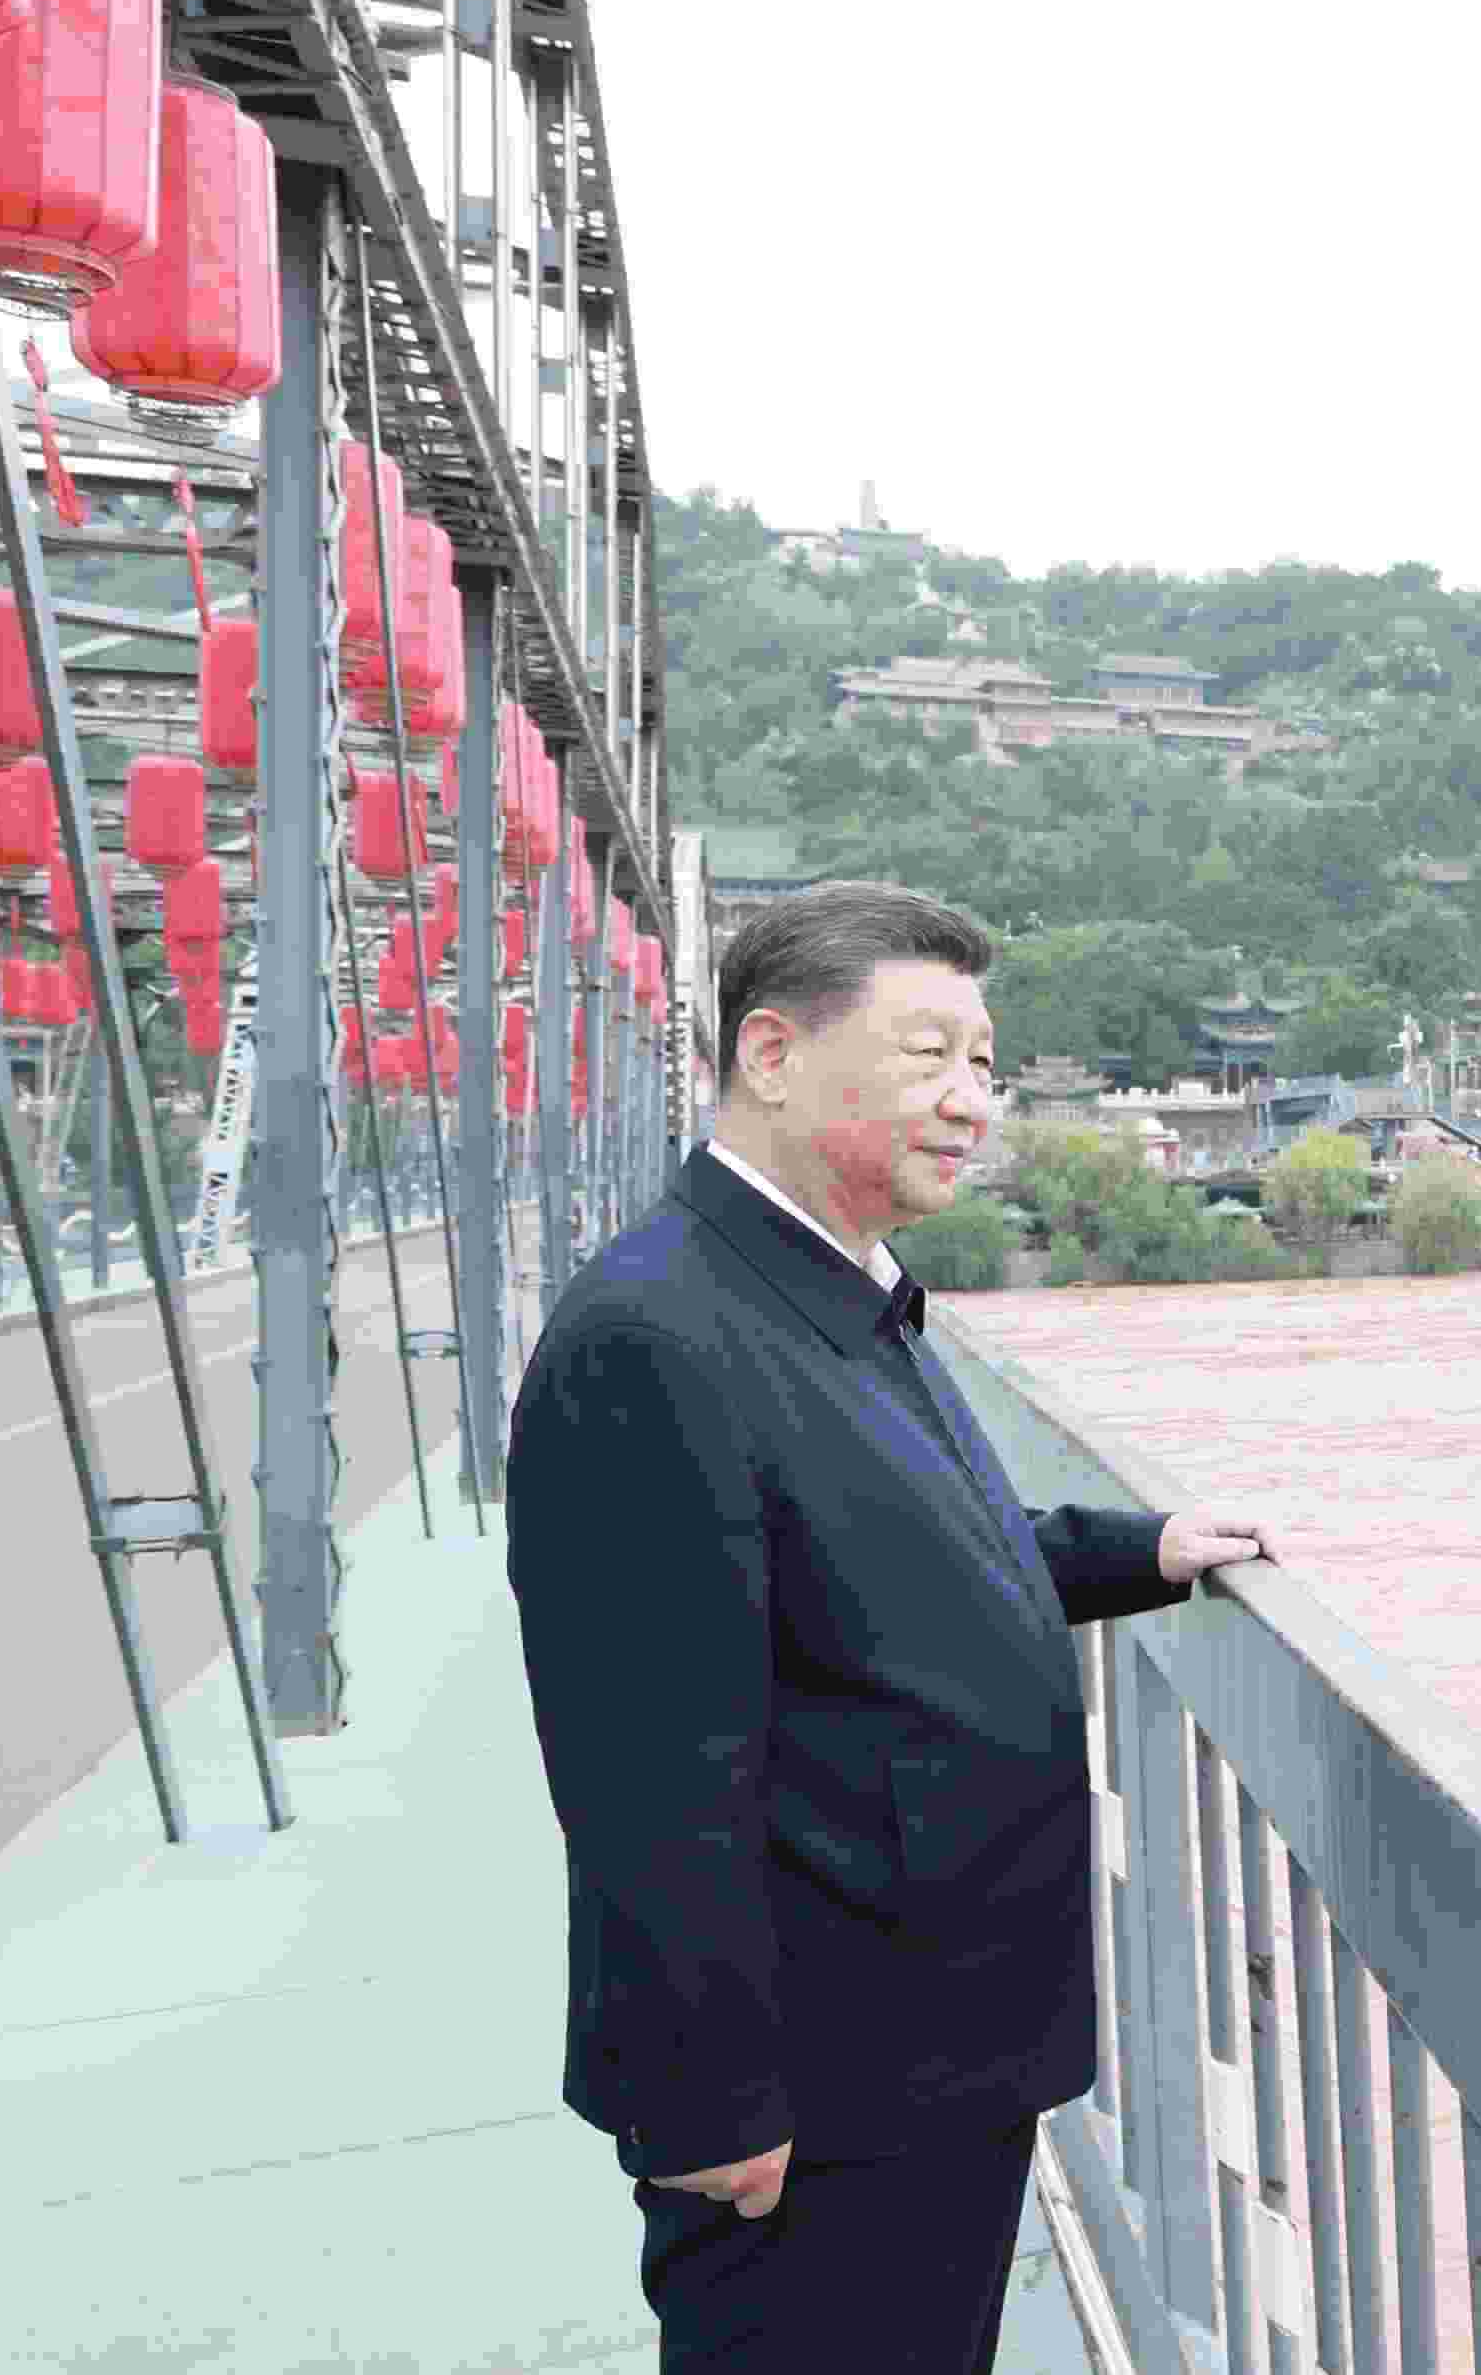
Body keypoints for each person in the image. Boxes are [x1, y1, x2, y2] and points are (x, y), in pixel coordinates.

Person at [504, 880, 1280, 2370]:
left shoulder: (834, 1292)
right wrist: (711, 2094)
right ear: (772, 1054)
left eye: (985, 1065)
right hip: (818, 2086)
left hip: (930, 2044)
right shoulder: (655, 1335)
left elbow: (895, 1552)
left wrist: (1137, 1549)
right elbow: (646, 1766)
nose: (972, 1099)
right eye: (930, 1055)